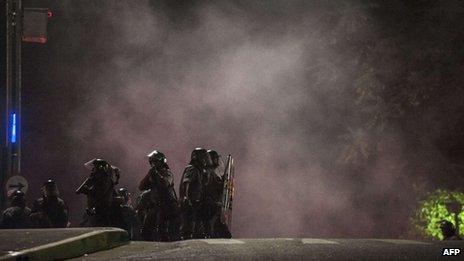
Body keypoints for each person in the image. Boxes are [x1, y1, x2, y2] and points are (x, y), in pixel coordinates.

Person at [136, 150, 179, 241]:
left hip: (167, 206)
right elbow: (141, 186)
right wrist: (149, 176)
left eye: (155, 162)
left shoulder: (167, 173)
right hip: (155, 206)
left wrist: (156, 175)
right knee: (146, 230)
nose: (153, 164)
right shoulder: (152, 174)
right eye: (152, 162)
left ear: (161, 162)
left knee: (163, 231)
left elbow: (165, 184)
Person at [179, 148, 211, 239]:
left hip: (195, 201)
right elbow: (186, 183)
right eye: (203, 157)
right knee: (189, 225)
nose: (205, 160)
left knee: (195, 223)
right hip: (190, 202)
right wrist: (186, 197)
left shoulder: (199, 169)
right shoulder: (192, 168)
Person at [205, 149, 232, 238]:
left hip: (214, 202)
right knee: (214, 223)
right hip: (211, 202)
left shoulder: (212, 172)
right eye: (215, 159)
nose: (217, 161)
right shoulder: (209, 172)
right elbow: (212, 187)